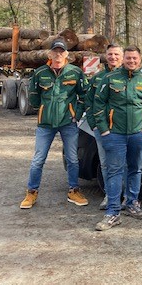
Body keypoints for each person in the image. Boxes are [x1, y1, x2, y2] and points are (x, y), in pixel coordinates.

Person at [93, 46, 142, 231]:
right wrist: (104, 130)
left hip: (138, 134)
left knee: (135, 169)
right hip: (115, 134)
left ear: (140, 59)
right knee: (114, 171)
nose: (131, 61)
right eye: (129, 58)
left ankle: (132, 204)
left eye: (134, 58)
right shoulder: (110, 79)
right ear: (124, 59)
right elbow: (98, 103)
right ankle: (113, 212)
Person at [20, 39, 89, 209]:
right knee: (38, 159)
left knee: (72, 159)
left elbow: (84, 95)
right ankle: (32, 192)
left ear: (66, 54)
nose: (58, 54)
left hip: (68, 122)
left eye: (61, 51)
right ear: (50, 54)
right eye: (55, 51)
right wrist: (43, 110)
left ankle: (74, 190)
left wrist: (76, 114)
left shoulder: (75, 72)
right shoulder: (40, 73)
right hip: (46, 124)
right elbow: (34, 95)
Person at [84, 44, 125, 209]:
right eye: (110, 54)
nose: (113, 57)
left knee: (125, 163)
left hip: (122, 128)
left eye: (116, 54)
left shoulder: (127, 76)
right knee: (106, 163)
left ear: (122, 57)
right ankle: (110, 195)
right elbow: (88, 102)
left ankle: (126, 196)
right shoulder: (97, 78)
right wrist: (93, 125)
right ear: (106, 56)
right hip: (102, 129)